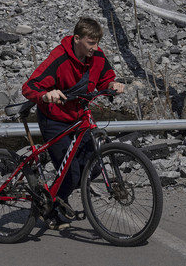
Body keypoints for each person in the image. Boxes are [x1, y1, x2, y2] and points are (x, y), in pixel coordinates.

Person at [22, 17, 124, 229]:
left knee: (92, 167)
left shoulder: (97, 56)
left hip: (79, 117)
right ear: (77, 38)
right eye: (90, 43)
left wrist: (113, 83)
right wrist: (46, 95)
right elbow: (30, 86)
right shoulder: (59, 58)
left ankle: (57, 197)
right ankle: (52, 209)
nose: (95, 48)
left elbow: (105, 77)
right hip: (54, 119)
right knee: (71, 172)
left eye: (97, 42)